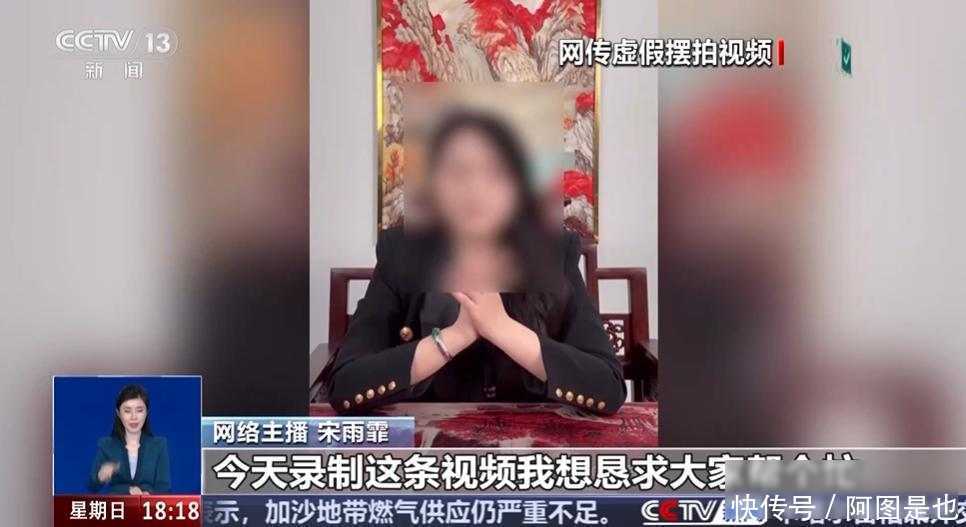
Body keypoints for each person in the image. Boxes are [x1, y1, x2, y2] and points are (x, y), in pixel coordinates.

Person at [322, 110, 625, 415]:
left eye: (496, 173)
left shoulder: (553, 253)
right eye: (458, 172)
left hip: (532, 440)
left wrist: (500, 327)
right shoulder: (402, 252)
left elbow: (607, 387)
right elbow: (347, 384)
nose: (475, 189)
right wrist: (455, 336)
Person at [88, 384, 171, 494]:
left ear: (147, 412)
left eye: (139, 410)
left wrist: (150, 496)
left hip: (148, 504)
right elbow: (92, 486)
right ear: (118, 413)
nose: (133, 417)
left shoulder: (159, 445)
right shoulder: (107, 445)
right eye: (127, 411)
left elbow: (164, 488)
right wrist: (100, 476)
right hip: (117, 504)